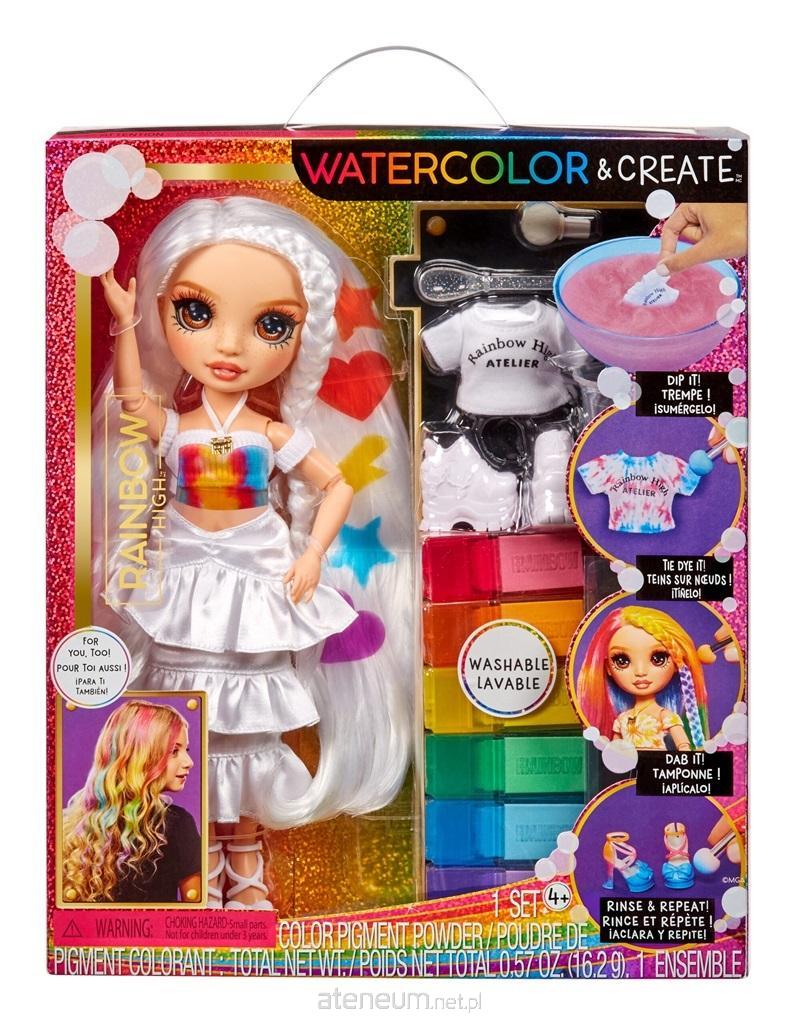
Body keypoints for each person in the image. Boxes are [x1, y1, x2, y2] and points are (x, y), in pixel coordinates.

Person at [96, 196, 412, 909]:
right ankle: (200, 850)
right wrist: (123, 323)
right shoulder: (175, 424)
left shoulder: (272, 434)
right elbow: (130, 400)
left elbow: (335, 486)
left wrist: (313, 555)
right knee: (191, 720)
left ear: (302, 337)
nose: (230, 347)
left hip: (255, 573)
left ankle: (245, 854)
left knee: (250, 723)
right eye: (197, 313)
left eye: (271, 325)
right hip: (185, 575)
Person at [62, 700, 200, 903]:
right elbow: (195, 911)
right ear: (142, 756)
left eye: (186, 750)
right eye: (174, 751)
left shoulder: (73, 826)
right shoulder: (178, 824)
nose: (189, 762)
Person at [576, 605, 708, 751]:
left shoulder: (665, 716)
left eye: (658, 658)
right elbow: (614, 748)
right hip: (629, 763)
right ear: (608, 668)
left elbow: (683, 744)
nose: (640, 672)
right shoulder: (622, 719)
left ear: (677, 663)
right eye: (622, 661)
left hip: (658, 762)